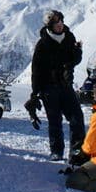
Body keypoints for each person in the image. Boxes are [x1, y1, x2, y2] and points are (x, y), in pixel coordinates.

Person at [30, 10, 85, 161]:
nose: (60, 25)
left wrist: (77, 53)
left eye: (61, 21)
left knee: (77, 118)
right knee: (54, 121)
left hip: (66, 85)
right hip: (48, 87)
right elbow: (36, 70)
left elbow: (74, 59)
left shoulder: (69, 37)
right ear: (50, 26)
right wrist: (35, 92)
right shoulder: (42, 44)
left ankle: (77, 151)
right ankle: (56, 151)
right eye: (56, 23)